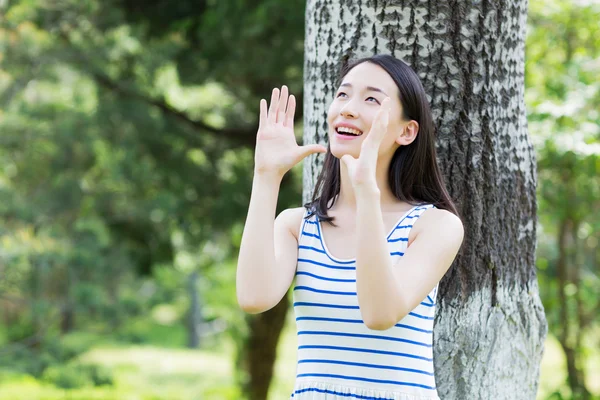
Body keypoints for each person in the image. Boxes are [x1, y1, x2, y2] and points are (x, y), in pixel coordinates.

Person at [236, 54, 464, 400]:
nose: (348, 108)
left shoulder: (435, 226)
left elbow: (379, 312)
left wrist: (366, 193)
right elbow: (253, 297)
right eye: (343, 95)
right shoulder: (298, 225)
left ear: (407, 131)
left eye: (372, 99)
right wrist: (266, 176)